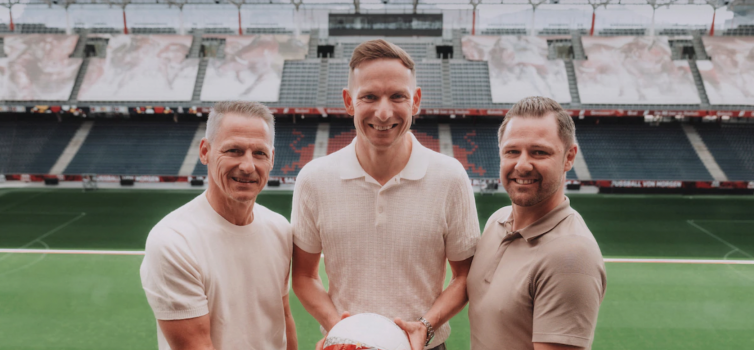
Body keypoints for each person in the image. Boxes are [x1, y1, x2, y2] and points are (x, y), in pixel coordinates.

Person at [291, 39, 479, 350]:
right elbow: (304, 276)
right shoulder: (314, 179)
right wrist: (339, 327)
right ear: (349, 101)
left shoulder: (450, 177)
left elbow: (464, 277)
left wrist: (426, 326)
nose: (383, 112)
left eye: (397, 96)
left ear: (415, 101)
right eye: (369, 96)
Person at [140, 101, 297, 350]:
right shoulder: (173, 241)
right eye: (234, 150)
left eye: (259, 153)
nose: (248, 166)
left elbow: (283, 315)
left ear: (272, 159)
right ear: (205, 151)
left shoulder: (280, 229)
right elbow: (197, 345)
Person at [467, 96, 606, 350]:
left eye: (539, 152)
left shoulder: (571, 255)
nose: (522, 165)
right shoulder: (497, 221)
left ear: (569, 157)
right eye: (512, 151)